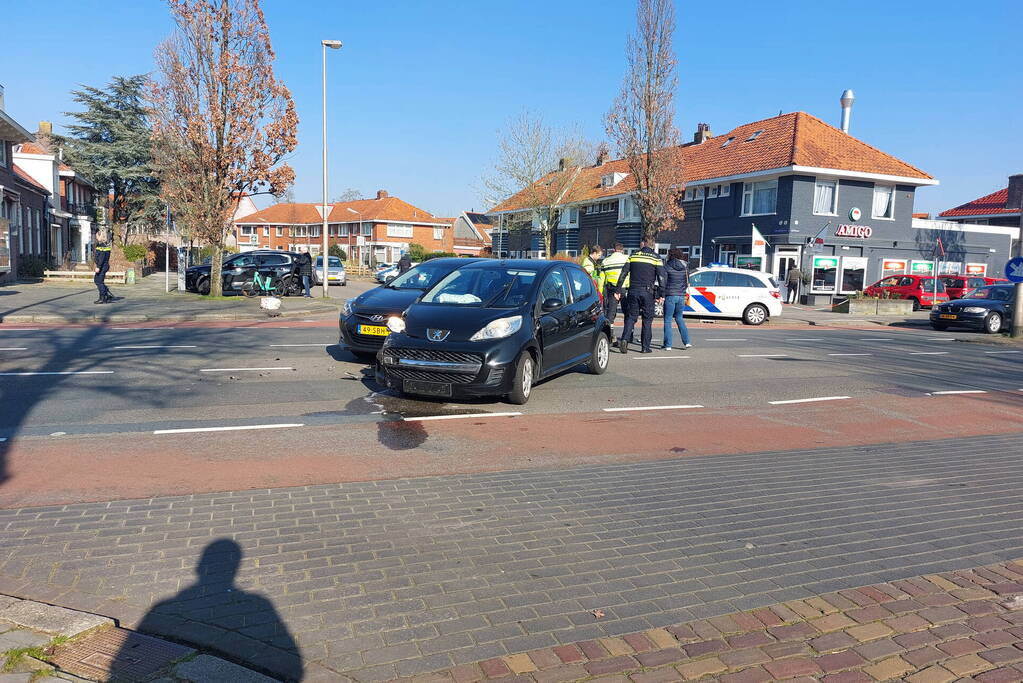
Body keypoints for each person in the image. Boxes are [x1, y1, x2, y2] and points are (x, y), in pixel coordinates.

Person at [614, 239, 666, 354]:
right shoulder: (656, 257)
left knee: (631, 317)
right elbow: (662, 277)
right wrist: (662, 293)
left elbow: (623, 273)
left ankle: (624, 339)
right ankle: (645, 347)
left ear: (643, 245)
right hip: (647, 293)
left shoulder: (633, 255)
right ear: (653, 246)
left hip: (633, 291)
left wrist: (618, 289)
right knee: (647, 320)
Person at [662, 248, 692, 350]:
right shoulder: (685, 267)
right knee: (679, 318)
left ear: (670, 255)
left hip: (670, 295)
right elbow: (686, 282)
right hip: (681, 296)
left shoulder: (667, 266)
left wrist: (661, 294)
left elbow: (664, 282)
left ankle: (668, 345)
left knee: (668, 320)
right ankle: (687, 342)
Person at [600, 243, 628, 324]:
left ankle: (610, 334)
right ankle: (629, 334)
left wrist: (601, 292)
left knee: (610, 314)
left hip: (612, 288)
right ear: (622, 251)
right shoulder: (628, 258)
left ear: (613, 250)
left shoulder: (606, 261)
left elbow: (601, 279)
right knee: (628, 313)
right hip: (625, 288)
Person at [93, 234, 114, 304]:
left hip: (102, 266)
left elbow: (101, 258)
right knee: (97, 280)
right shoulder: (105, 246)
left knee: (99, 281)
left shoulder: (102, 246)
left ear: (101, 237)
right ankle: (106, 294)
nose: (96, 237)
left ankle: (102, 298)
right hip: (104, 266)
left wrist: (98, 267)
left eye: (97, 236)